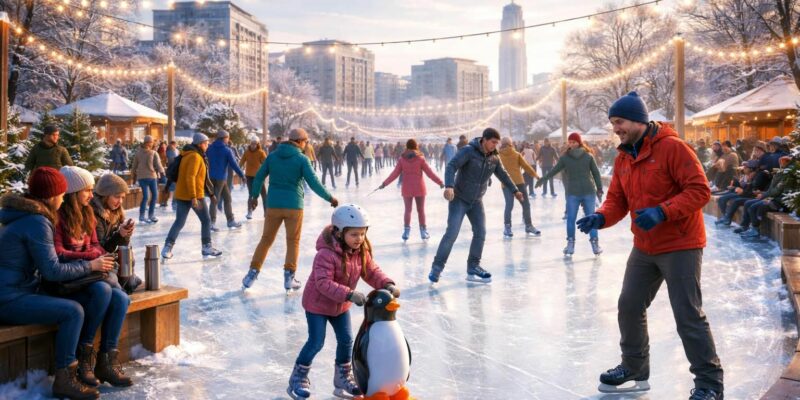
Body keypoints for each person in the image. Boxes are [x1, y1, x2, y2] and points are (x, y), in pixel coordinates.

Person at [576, 91, 723, 399]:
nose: (615, 128)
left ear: (638, 121)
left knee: (687, 314)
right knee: (629, 304)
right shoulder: (623, 156)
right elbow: (617, 199)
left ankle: (709, 384)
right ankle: (634, 368)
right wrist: (601, 218)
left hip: (681, 243)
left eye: (620, 122)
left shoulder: (673, 148)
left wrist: (663, 211)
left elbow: (699, 190)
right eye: (613, 123)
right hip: (645, 246)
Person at [0, 167, 117, 400]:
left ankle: (85, 364)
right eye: (61, 194)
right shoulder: (36, 221)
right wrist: (91, 266)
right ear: (51, 195)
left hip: (21, 290)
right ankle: (64, 380)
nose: (63, 198)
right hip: (9, 298)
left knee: (92, 299)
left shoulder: (27, 216)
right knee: (72, 311)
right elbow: (52, 271)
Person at [287, 204, 399, 400]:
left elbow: (371, 271)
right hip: (317, 305)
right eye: (354, 234)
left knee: (346, 340)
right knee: (316, 341)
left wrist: (387, 284)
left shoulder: (361, 251)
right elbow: (322, 283)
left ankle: (342, 379)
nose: (360, 239)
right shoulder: (325, 254)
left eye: (362, 234)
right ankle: (298, 378)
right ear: (339, 233)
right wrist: (349, 294)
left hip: (340, 306)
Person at [54, 166, 133, 390]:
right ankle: (85, 354)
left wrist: (104, 254)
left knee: (121, 299)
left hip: (87, 275)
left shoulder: (87, 213)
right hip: (66, 280)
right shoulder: (58, 217)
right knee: (103, 290)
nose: (91, 195)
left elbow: (96, 244)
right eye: (87, 190)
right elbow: (58, 254)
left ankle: (107, 360)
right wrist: (92, 258)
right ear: (73, 192)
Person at [242, 128, 339, 291]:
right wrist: (330, 198)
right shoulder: (302, 159)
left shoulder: (272, 156)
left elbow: (258, 176)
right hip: (294, 206)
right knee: (292, 241)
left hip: (273, 205)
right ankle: (289, 277)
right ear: (300, 141)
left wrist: (254, 196)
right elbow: (314, 183)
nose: (306, 144)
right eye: (306, 141)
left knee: (266, 240)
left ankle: (251, 274)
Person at [428, 128, 524, 284]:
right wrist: (449, 186)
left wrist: (515, 190)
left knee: (481, 233)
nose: (495, 145)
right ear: (484, 140)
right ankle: (437, 268)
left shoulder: (494, 157)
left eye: (497, 143)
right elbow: (451, 166)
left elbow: (503, 174)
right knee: (452, 233)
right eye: (493, 142)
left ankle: (473, 266)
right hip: (459, 198)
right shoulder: (468, 151)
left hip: (476, 201)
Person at [536, 132, 603, 255]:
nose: (571, 144)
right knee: (583, 218)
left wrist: (599, 188)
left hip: (576, 192)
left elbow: (596, 173)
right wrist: (543, 179)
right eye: (570, 142)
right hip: (584, 191)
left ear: (579, 142)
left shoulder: (571, 157)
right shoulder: (583, 156)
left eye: (574, 142)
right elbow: (554, 170)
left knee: (576, 219)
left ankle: (580, 245)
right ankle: (586, 245)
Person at [162, 133, 223, 260]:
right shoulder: (195, 157)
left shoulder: (188, 154)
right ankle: (206, 247)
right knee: (206, 220)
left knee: (179, 222)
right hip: (194, 195)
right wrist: (194, 197)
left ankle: (167, 247)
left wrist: (211, 194)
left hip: (183, 194)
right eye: (206, 143)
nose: (207, 145)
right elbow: (191, 177)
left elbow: (202, 178)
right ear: (200, 144)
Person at [379, 139, 444, 241]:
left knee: (408, 210)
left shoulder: (402, 159)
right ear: (416, 146)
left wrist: (384, 184)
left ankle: (406, 232)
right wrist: (440, 182)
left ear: (407, 147)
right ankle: (423, 232)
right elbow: (429, 173)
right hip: (419, 188)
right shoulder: (420, 159)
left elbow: (394, 174)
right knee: (421, 210)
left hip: (407, 188)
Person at [499, 137, 541, 238]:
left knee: (509, 206)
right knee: (525, 204)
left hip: (506, 184)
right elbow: (526, 166)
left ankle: (507, 227)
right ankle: (529, 225)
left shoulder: (498, 155)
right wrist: (536, 176)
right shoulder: (516, 154)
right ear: (511, 144)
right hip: (519, 182)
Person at [206, 130, 246, 230]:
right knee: (215, 200)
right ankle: (212, 222)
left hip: (211, 177)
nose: (228, 140)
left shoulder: (209, 148)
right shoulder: (227, 150)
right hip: (220, 178)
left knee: (227, 198)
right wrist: (242, 175)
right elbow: (234, 164)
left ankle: (230, 220)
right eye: (228, 138)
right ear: (224, 138)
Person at [130, 135, 165, 224]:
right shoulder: (139, 153)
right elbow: (134, 165)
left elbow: (158, 164)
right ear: (146, 142)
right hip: (142, 177)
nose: (150, 143)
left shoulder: (153, 153)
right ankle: (142, 216)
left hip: (152, 176)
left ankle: (151, 215)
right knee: (146, 196)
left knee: (154, 196)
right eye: (149, 142)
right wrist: (132, 175)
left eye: (151, 142)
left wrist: (162, 172)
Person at [239, 137, 268, 220]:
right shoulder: (247, 152)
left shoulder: (261, 152)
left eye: (255, 143)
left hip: (259, 177)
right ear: (250, 143)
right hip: (249, 176)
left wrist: (267, 170)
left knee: (264, 194)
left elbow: (266, 163)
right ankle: (250, 211)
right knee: (251, 194)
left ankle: (266, 212)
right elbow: (241, 161)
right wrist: (239, 169)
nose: (253, 145)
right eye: (252, 143)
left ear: (258, 144)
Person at [159, 141, 180, 209]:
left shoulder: (177, 151)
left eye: (173, 145)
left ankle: (169, 202)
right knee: (169, 187)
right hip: (170, 171)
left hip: (174, 171)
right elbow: (165, 160)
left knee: (171, 187)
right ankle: (166, 202)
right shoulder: (167, 152)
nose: (172, 146)